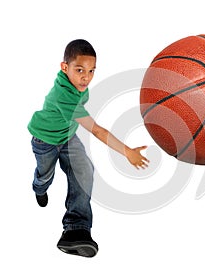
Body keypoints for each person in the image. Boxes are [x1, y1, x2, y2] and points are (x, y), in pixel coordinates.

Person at [28, 39, 149, 258]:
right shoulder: (64, 96)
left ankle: (76, 229)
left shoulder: (77, 85)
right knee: (45, 176)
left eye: (92, 70)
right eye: (80, 70)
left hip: (66, 136)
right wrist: (127, 151)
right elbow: (97, 131)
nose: (86, 76)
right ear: (64, 68)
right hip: (44, 140)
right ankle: (39, 188)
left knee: (84, 170)